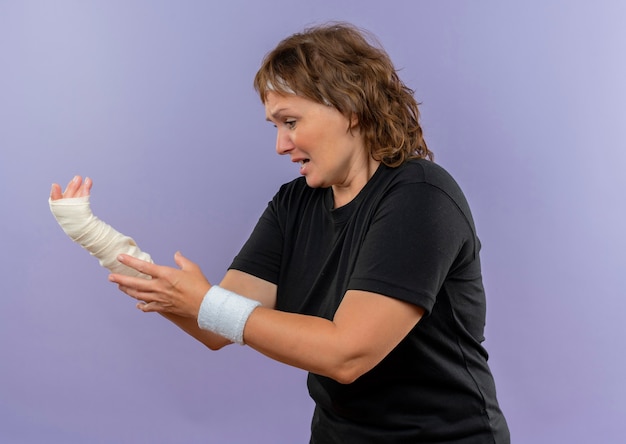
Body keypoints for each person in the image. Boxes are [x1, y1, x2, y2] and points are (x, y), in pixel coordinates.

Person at [50, 23, 510, 443]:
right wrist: (105, 245)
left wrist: (208, 304)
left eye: (291, 122)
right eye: (275, 126)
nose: (281, 144)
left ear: (349, 108)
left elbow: (348, 354)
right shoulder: (295, 203)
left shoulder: (420, 196)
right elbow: (217, 324)